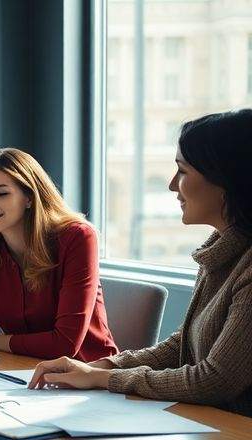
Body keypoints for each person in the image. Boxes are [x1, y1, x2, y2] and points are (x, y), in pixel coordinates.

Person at [30, 110, 252, 417]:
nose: (173, 185)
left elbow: (214, 380)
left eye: (183, 171)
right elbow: (181, 347)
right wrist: (100, 366)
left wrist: (105, 378)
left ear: (226, 180)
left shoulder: (246, 268)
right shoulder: (220, 254)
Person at [0, 148, 118, 361]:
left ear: (29, 197)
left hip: (89, 376)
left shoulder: (78, 238)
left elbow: (64, 344)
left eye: (1, 193)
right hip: (21, 371)